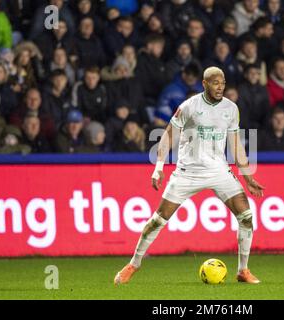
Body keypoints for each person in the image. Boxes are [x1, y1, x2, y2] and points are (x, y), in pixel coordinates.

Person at [114, 67, 265, 285]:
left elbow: (235, 144)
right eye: (215, 82)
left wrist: (248, 176)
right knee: (158, 219)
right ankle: (133, 264)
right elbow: (167, 136)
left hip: (219, 170)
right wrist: (158, 166)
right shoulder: (189, 106)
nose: (220, 86)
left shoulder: (231, 109)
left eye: (222, 82)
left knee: (246, 216)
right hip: (188, 171)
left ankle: (243, 270)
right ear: (204, 84)